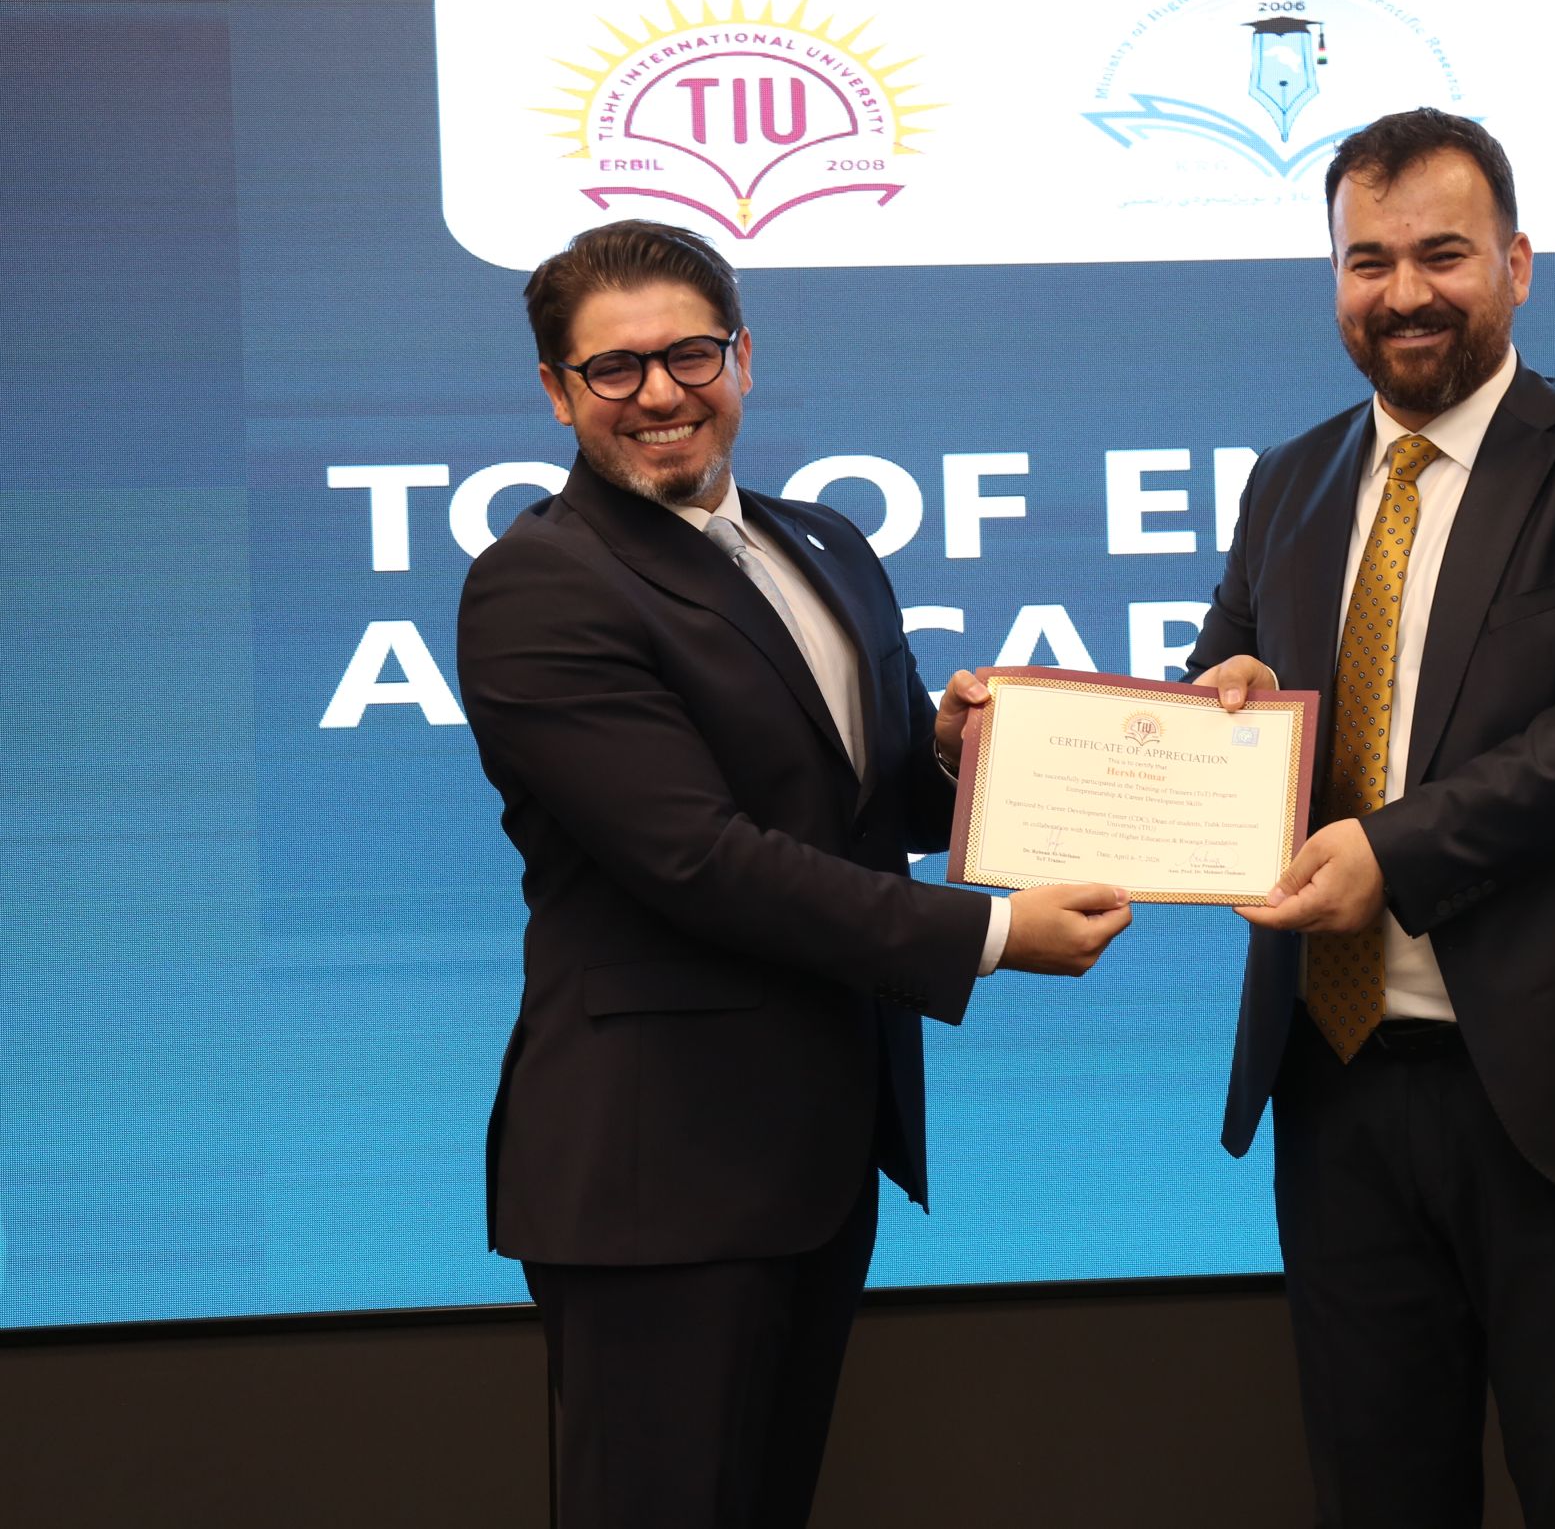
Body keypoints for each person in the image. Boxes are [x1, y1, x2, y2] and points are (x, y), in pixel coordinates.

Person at [455, 219, 1130, 1529]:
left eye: (690, 354)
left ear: (744, 358)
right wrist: (992, 936)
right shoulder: (540, 584)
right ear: (557, 392)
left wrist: (956, 754)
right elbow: (700, 860)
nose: (661, 391)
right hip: (658, 1175)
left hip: (813, 1155)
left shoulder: (823, 543)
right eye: (614, 367)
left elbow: (866, 803)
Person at [1190, 109, 1555, 1527]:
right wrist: (1217, 707)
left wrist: (1390, 854)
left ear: (1517, 265)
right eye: (1369, 261)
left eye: (1443, 255)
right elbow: (1231, 678)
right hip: (1339, 1082)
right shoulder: (1287, 482)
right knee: (1377, 1492)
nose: (1405, 293)